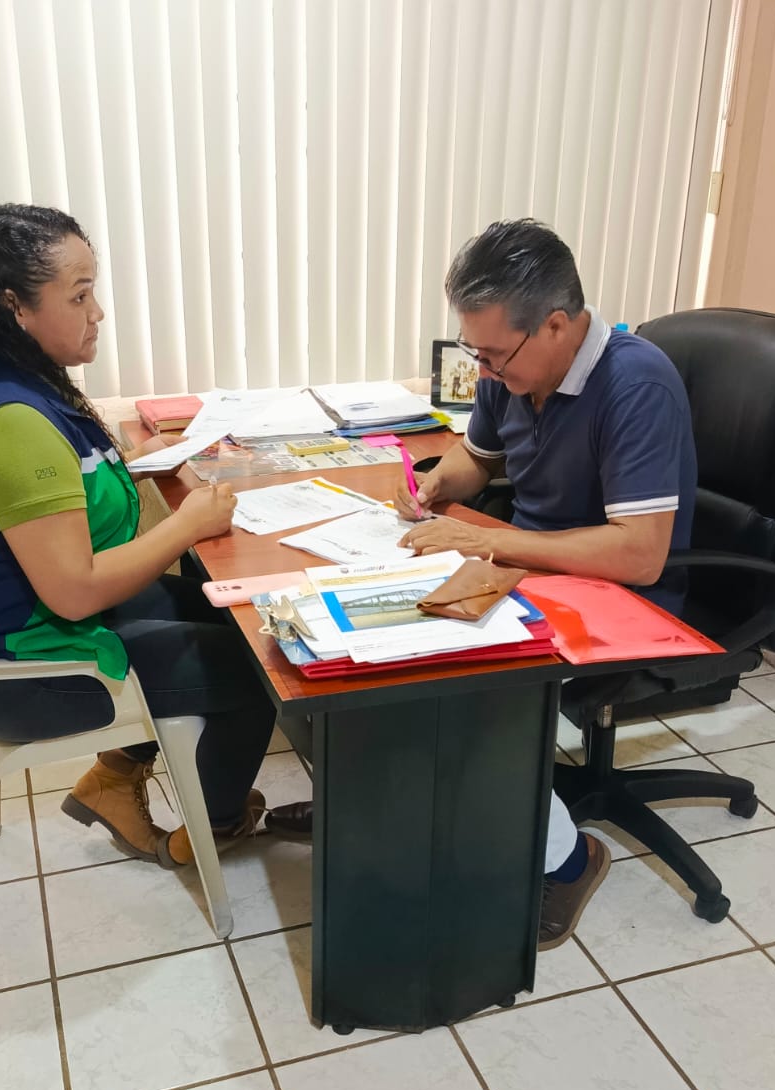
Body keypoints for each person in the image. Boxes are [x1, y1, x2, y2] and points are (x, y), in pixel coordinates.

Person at [269, 218, 698, 949]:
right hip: (522, 572)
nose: (485, 372)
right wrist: (435, 486)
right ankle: (366, 802)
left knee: (453, 689)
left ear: (556, 324)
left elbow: (640, 554)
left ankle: (569, 862)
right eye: (477, 352)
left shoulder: (636, 386)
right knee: (347, 649)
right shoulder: (512, 372)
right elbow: (479, 459)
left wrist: (487, 542)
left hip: (618, 597)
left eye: (495, 355)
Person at [0, 203, 275, 870]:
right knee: (258, 664)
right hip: (20, 670)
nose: (96, 312)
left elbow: (64, 497)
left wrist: (142, 463)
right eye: (78, 296)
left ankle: (112, 780)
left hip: (26, 620)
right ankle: (214, 828)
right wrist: (187, 523)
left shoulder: (17, 384)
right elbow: (74, 591)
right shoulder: (14, 422)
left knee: (229, 610)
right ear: (16, 307)